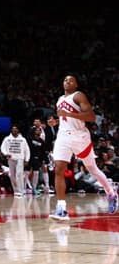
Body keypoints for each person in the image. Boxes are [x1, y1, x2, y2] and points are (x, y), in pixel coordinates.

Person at [48, 74, 118, 221]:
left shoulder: (79, 96)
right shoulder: (60, 100)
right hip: (63, 136)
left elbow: (91, 117)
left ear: (76, 85)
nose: (67, 81)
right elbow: (64, 118)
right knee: (59, 169)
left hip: (80, 136)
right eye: (65, 79)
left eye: (70, 80)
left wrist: (68, 113)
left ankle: (111, 192)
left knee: (92, 168)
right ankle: (61, 208)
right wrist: (56, 122)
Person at [0, 125, 31, 196]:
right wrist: (6, 154)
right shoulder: (7, 139)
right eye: (13, 129)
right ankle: (15, 190)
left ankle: (21, 190)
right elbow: (2, 148)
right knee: (12, 175)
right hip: (11, 159)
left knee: (19, 174)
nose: (14, 130)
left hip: (20, 158)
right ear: (11, 130)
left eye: (16, 129)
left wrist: (27, 159)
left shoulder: (23, 139)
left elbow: (27, 150)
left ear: (18, 130)